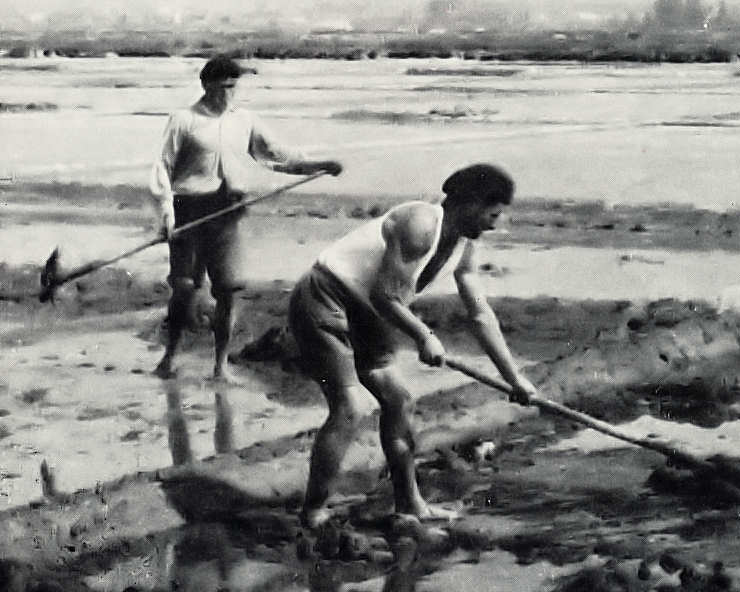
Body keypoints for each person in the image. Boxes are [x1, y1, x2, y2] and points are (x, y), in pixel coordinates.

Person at [288, 163, 537, 528]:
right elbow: (386, 295)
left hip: (369, 314)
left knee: (399, 399)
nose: (495, 224)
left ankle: (410, 504)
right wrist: (424, 336)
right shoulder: (420, 224)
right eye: (493, 214)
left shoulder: (465, 245)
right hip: (326, 298)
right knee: (351, 407)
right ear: (471, 203)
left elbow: (480, 315)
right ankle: (313, 511)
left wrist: (514, 379)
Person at [149, 54, 343, 382]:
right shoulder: (184, 120)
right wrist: (166, 215)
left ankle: (220, 366)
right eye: (223, 87)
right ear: (206, 85)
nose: (229, 94)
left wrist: (319, 165)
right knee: (184, 288)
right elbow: (163, 169)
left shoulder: (245, 120)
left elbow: (277, 155)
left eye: (233, 87)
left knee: (229, 290)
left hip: (229, 211)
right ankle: (169, 357)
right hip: (189, 210)